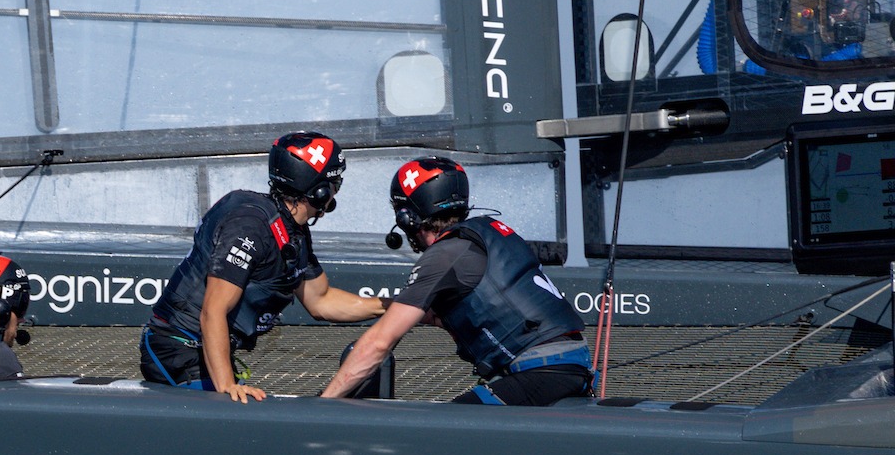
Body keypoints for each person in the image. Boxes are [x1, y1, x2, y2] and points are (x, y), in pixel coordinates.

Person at [320, 157, 591, 405]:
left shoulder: (444, 256)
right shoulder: (487, 234)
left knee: (442, 433)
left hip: (541, 369)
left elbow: (380, 342)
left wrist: (324, 403)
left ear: (408, 217)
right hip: (568, 362)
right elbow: (433, 315)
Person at [140, 131, 386, 402]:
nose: (337, 191)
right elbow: (213, 310)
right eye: (335, 182)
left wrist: (396, 308)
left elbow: (321, 301)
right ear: (320, 190)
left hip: (204, 352)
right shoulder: (251, 226)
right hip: (177, 349)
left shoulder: (293, 231)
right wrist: (226, 389)